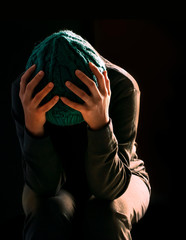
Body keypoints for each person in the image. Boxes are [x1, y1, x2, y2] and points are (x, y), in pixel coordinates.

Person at [11, 30, 151, 240]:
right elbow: (43, 186)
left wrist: (100, 124)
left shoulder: (122, 86)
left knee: (106, 216)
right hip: (56, 179)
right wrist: (34, 127)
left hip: (123, 172)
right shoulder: (26, 90)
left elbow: (109, 188)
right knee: (46, 214)